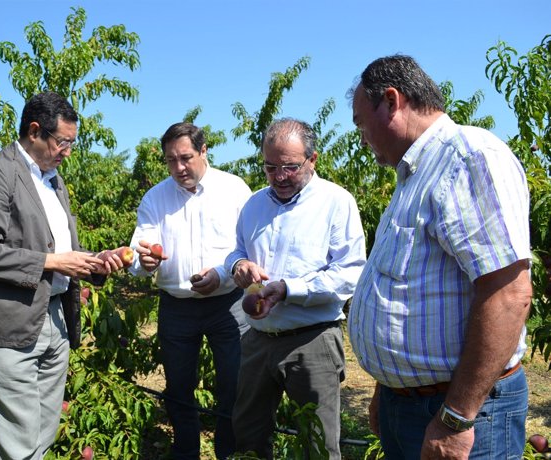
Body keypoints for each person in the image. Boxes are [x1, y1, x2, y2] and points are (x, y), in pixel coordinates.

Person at [347, 55, 533, 459]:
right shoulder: (415, 175)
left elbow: (508, 294)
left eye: (361, 122)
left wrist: (456, 418)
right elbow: (410, 295)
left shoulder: (467, 158)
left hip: (461, 411)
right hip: (413, 405)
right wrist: (388, 384)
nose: (361, 136)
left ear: (392, 101)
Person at [0, 91, 124, 459]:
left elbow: (58, 247)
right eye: (63, 142)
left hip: (55, 318)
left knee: (43, 433)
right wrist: (52, 262)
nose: (68, 151)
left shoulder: (53, 180)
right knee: (17, 442)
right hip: (11, 322)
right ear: (34, 131)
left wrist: (95, 260)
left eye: (72, 143)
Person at [224, 118, 366, 459]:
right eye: (271, 167)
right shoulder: (254, 204)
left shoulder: (336, 202)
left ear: (312, 159)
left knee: (317, 443)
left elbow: (349, 273)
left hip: (311, 340)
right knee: (249, 434)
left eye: (290, 167)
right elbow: (238, 249)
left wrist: (289, 289)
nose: (280, 176)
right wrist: (238, 265)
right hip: (258, 338)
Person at [128, 122, 252, 459]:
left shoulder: (235, 190)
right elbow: (140, 250)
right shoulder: (156, 197)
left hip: (229, 305)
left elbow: (249, 246)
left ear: (203, 151)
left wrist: (222, 274)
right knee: (178, 389)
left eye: (186, 158)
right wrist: (146, 261)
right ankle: (186, 452)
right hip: (177, 307)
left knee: (233, 385)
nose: (179, 168)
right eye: (171, 160)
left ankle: (229, 452)